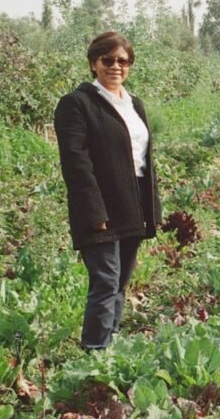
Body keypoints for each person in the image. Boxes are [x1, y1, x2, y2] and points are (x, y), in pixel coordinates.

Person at [54, 31, 161, 351]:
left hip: (133, 202)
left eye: (123, 61)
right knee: (105, 281)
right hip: (100, 205)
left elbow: (143, 160)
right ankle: (94, 352)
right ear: (93, 63)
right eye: (108, 59)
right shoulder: (77, 104)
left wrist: (152, 208)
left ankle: (110, 346)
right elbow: (76, 164)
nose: (116, 66)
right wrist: (94, 212)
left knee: (121, 282)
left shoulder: (134, 104)